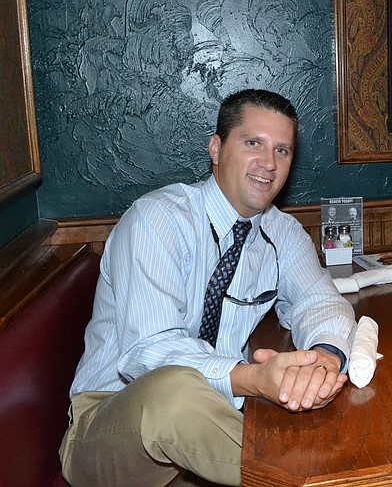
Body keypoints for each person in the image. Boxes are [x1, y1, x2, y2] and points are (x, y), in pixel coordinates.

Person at [60, 89, 357, 487]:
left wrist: (324, 361)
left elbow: (322, 301)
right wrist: (251, 378)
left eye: (282, 151)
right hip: (110, 425)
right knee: (174, 392)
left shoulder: (281, 232)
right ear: (216, 149)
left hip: (209, 430)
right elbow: (150, 350)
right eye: (253, 143)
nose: (268, 163)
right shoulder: (157, 219)